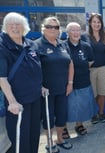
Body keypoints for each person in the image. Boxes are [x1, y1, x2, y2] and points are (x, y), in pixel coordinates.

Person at [0, 12, 42, 153]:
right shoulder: (3, 47)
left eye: (17, 24)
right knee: (21, 137)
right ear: (5, 27)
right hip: (17, 102)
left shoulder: (30, 44)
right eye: (10, 25)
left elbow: (35, 69)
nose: (14, 28)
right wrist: (12, 101)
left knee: (34, 133)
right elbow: (2, 78)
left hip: (35, 98)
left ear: (24, 27)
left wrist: (41, 86)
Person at [35, 16, 73, 152]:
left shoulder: (63, 44)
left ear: (59, 30)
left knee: (62, 115)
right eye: (49, 26)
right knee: (48, 117)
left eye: (56, 27)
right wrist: (40, 86)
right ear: (43, 29)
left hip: (63, 89)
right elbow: (33, 68)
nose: (52, 29)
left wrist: (70, 83)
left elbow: (70, 63)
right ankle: (50, 143)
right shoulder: (37, 45)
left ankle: (60, 139)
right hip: (46, 91)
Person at [65, 22, 96, 136]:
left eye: (78, 30)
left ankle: (79, 124)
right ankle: (63, 127)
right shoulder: (62, 46)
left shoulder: (86, 46)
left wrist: (80, 69)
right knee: (67, 106)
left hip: (83, 80)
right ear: (67, 32)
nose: (76, 33)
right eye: (72, 30)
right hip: (67, 83)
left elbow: (91, 62)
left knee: (82, 105)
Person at [84, 13, 105, 124]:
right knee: (93, 93)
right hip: (90, 70)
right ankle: (93, 114)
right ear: (90, 23)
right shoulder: (84, 37)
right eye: (94, 22)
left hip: (104, 67)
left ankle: (101, 113)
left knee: (102, 92)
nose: (96, 24)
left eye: (98, 22)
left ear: (101, 24)